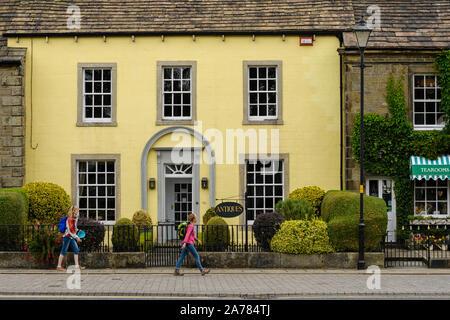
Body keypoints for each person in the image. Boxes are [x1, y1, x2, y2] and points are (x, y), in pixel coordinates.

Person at [56, 206, 85, 271]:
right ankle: (59, 266)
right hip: (67, 236)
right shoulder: (69, 219)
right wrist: (77, 237)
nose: (77, 212)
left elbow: (74, 228)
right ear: (73, 211)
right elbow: (69, 230)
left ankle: (77, 266)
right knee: (63, 251)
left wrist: (78, 230)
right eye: (77, 210)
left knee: (76, 250)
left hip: (71, 237)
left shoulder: (74, 219)